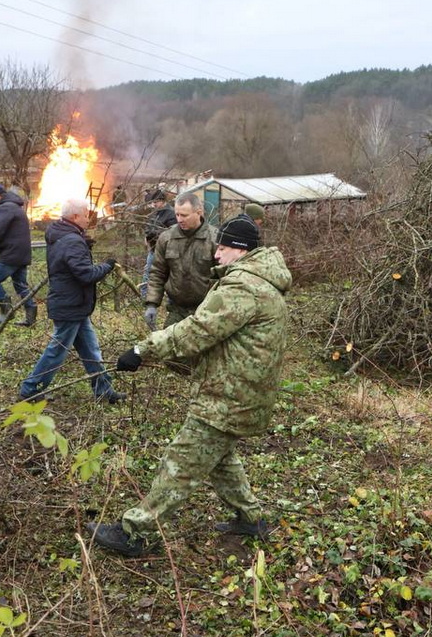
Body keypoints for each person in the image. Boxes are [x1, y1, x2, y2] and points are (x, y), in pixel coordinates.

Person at [87, 214, 291, 556]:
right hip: (241, 391)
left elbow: (197, 330)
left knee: (180, 463)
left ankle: (134, 533)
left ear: (241, 250)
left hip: (228, 395)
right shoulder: (260, 281)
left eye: (223, 248)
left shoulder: (244, 287)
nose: (216, 254)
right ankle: (251, 519)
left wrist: (142, 350)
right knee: (220, 458)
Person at [16, 197, 124, 404]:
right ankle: (31, 388)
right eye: (85, 214)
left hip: (74, 304)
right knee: (57, 351)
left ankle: (104, 390)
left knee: (91, 350)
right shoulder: (72, 241)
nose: (88, 218)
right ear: (75, 216)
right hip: (70, 305)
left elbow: (68, 263)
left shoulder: (61, 234)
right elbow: (86, 275)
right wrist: (107, 265)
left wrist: (83, 247)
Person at [145, 191, 218, 330]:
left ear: (198, 213)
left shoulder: (214, 239)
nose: (179, 219)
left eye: (184, 215)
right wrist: (152, 304)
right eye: (177, 215)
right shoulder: (167, 238)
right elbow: (158, 273)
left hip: (206, 310)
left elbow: (225, 277)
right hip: (177, 309)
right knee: (168, 341)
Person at [0, 183, 37, 326]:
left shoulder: (5, 207)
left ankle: (7, 311)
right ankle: (31, 316)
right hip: (22, 253)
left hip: (11, 254)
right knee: (20, 285)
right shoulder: (15, 206)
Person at [140, 189, 176, 293]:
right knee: (148, 273)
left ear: (162, 200)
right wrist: (147, 236)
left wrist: (153, 234)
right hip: (153, 249)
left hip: (164, 251)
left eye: (155, 202)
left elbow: (170, 233)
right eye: (153, 202)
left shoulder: (171, 214)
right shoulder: (155, 213)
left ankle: (165, 295)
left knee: (162, 274)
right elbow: (148, 226)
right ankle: (144, 296)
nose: (154, 204)